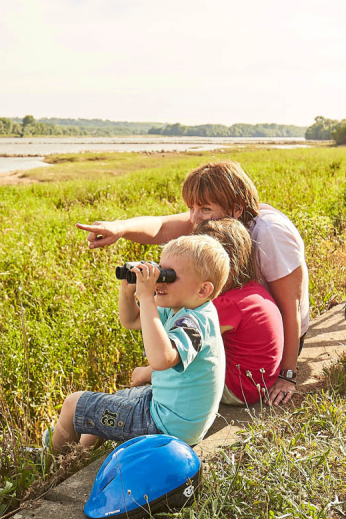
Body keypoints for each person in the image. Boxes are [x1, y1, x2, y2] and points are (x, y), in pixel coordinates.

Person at [76, 160, 308, 406]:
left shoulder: (268, 233)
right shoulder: (214, 224)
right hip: (239, 330)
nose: (195, 219)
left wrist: (287, 375)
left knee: (180, 351)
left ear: (236, 209)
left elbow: (290, 306)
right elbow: (162, 226)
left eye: (205, 209)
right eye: (191, 208)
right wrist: (119, 228)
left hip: (280, 339)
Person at [49, 234, 229, 452]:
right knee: (115, 399)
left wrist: (145, 298)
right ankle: (80, 456)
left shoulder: (195, 322)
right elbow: (131, 320)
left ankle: (49, 466)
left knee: (73, 403)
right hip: (175, 418)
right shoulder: (186, 305)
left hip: (164, 427)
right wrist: (128, 291)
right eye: (160, 271)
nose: (159, 281)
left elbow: (162, 359)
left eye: (168, 276)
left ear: (203, 289)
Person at [191, 218, 283, 405]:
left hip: (238, 390)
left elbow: (188, 343)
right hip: (260, 382)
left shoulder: (227, 304)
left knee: (182, 360)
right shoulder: (253, 290)